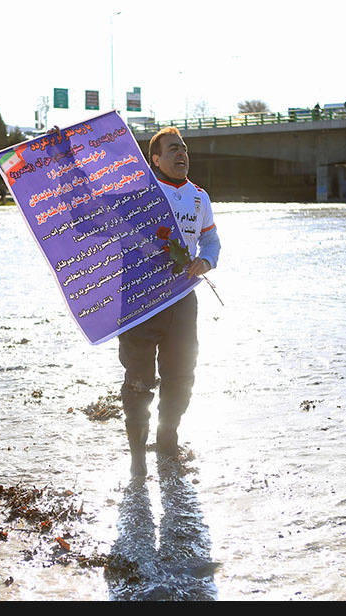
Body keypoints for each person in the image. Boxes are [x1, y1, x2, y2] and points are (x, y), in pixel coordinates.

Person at [119, 126, 221, 477]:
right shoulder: (137, 195)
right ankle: (137, 459)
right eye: (173, 149)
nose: (182, 154)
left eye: (185, 150)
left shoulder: (199, 197)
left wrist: (205, 261)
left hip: (182, 301)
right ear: (156, 159)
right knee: (139, 382)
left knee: (180, 377)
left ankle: (167, 443)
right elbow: (85, 211)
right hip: (140, 303)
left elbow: (211, 242)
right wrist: (64, 160)